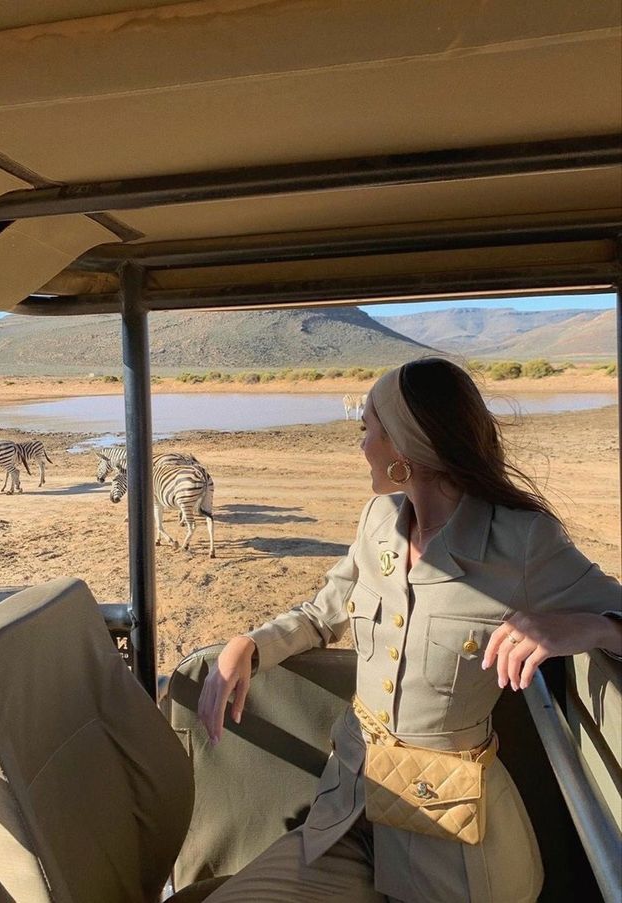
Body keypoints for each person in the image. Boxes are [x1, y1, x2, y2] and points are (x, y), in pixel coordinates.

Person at [198, 357, 621, 903]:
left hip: (452, 835)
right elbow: (325, 610)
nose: (361, 445)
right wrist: (248, 646)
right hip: (348, 809)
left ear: (405, 444)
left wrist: (583, 627)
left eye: (367, 430)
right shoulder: (377, 521)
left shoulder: (522, 542)